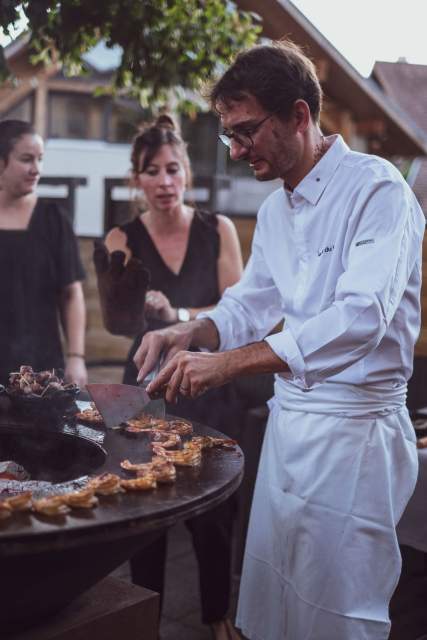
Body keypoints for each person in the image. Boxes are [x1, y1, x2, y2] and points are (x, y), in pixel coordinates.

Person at [133, 41, 426, 640]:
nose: (236, 151)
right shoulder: (274, 211)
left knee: (338, 613)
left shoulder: (379, 191)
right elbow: (251, 302)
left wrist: (228, 364)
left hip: (356, 438)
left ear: (299, 115)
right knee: (274, 599)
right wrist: (196, 328)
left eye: (245, 132)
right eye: (228, 138)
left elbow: (360, 316)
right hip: (290, 431)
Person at [99, 114, 244, 640]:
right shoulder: (122, 235)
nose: (165, 182)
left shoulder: (218, 228)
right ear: (136, 179)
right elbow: (117, 324)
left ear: (187, 173)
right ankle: (147, 624)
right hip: (142, 385)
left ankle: (215, 614)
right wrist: (135, 302)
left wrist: (178, 313)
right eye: (152, 171)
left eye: (174, 169)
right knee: (145, 512)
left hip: (207, 377)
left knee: (215, 511)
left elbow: (238, 308)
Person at [0, 120, 87, 388]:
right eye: (27, 159)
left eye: (40, 159)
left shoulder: (53, 220)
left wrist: (76, 357)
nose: (36, 169)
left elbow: (71, 294)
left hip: (42, 371)